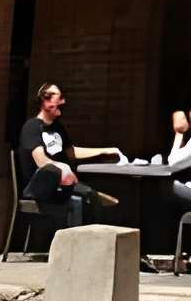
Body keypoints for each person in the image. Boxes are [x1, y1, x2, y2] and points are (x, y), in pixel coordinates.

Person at [16, 83, 120, 227]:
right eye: (58, 99)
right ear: (45, 101)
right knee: (81, 199)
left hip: (61, 186)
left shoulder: (58, 127)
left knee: (88, 197)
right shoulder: (32, 127)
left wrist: (104, 150)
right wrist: (63, 168)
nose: (63, 102)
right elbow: (41, 160)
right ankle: (74, 245)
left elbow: (71, 152)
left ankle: (92, 238)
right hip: (40, 188)